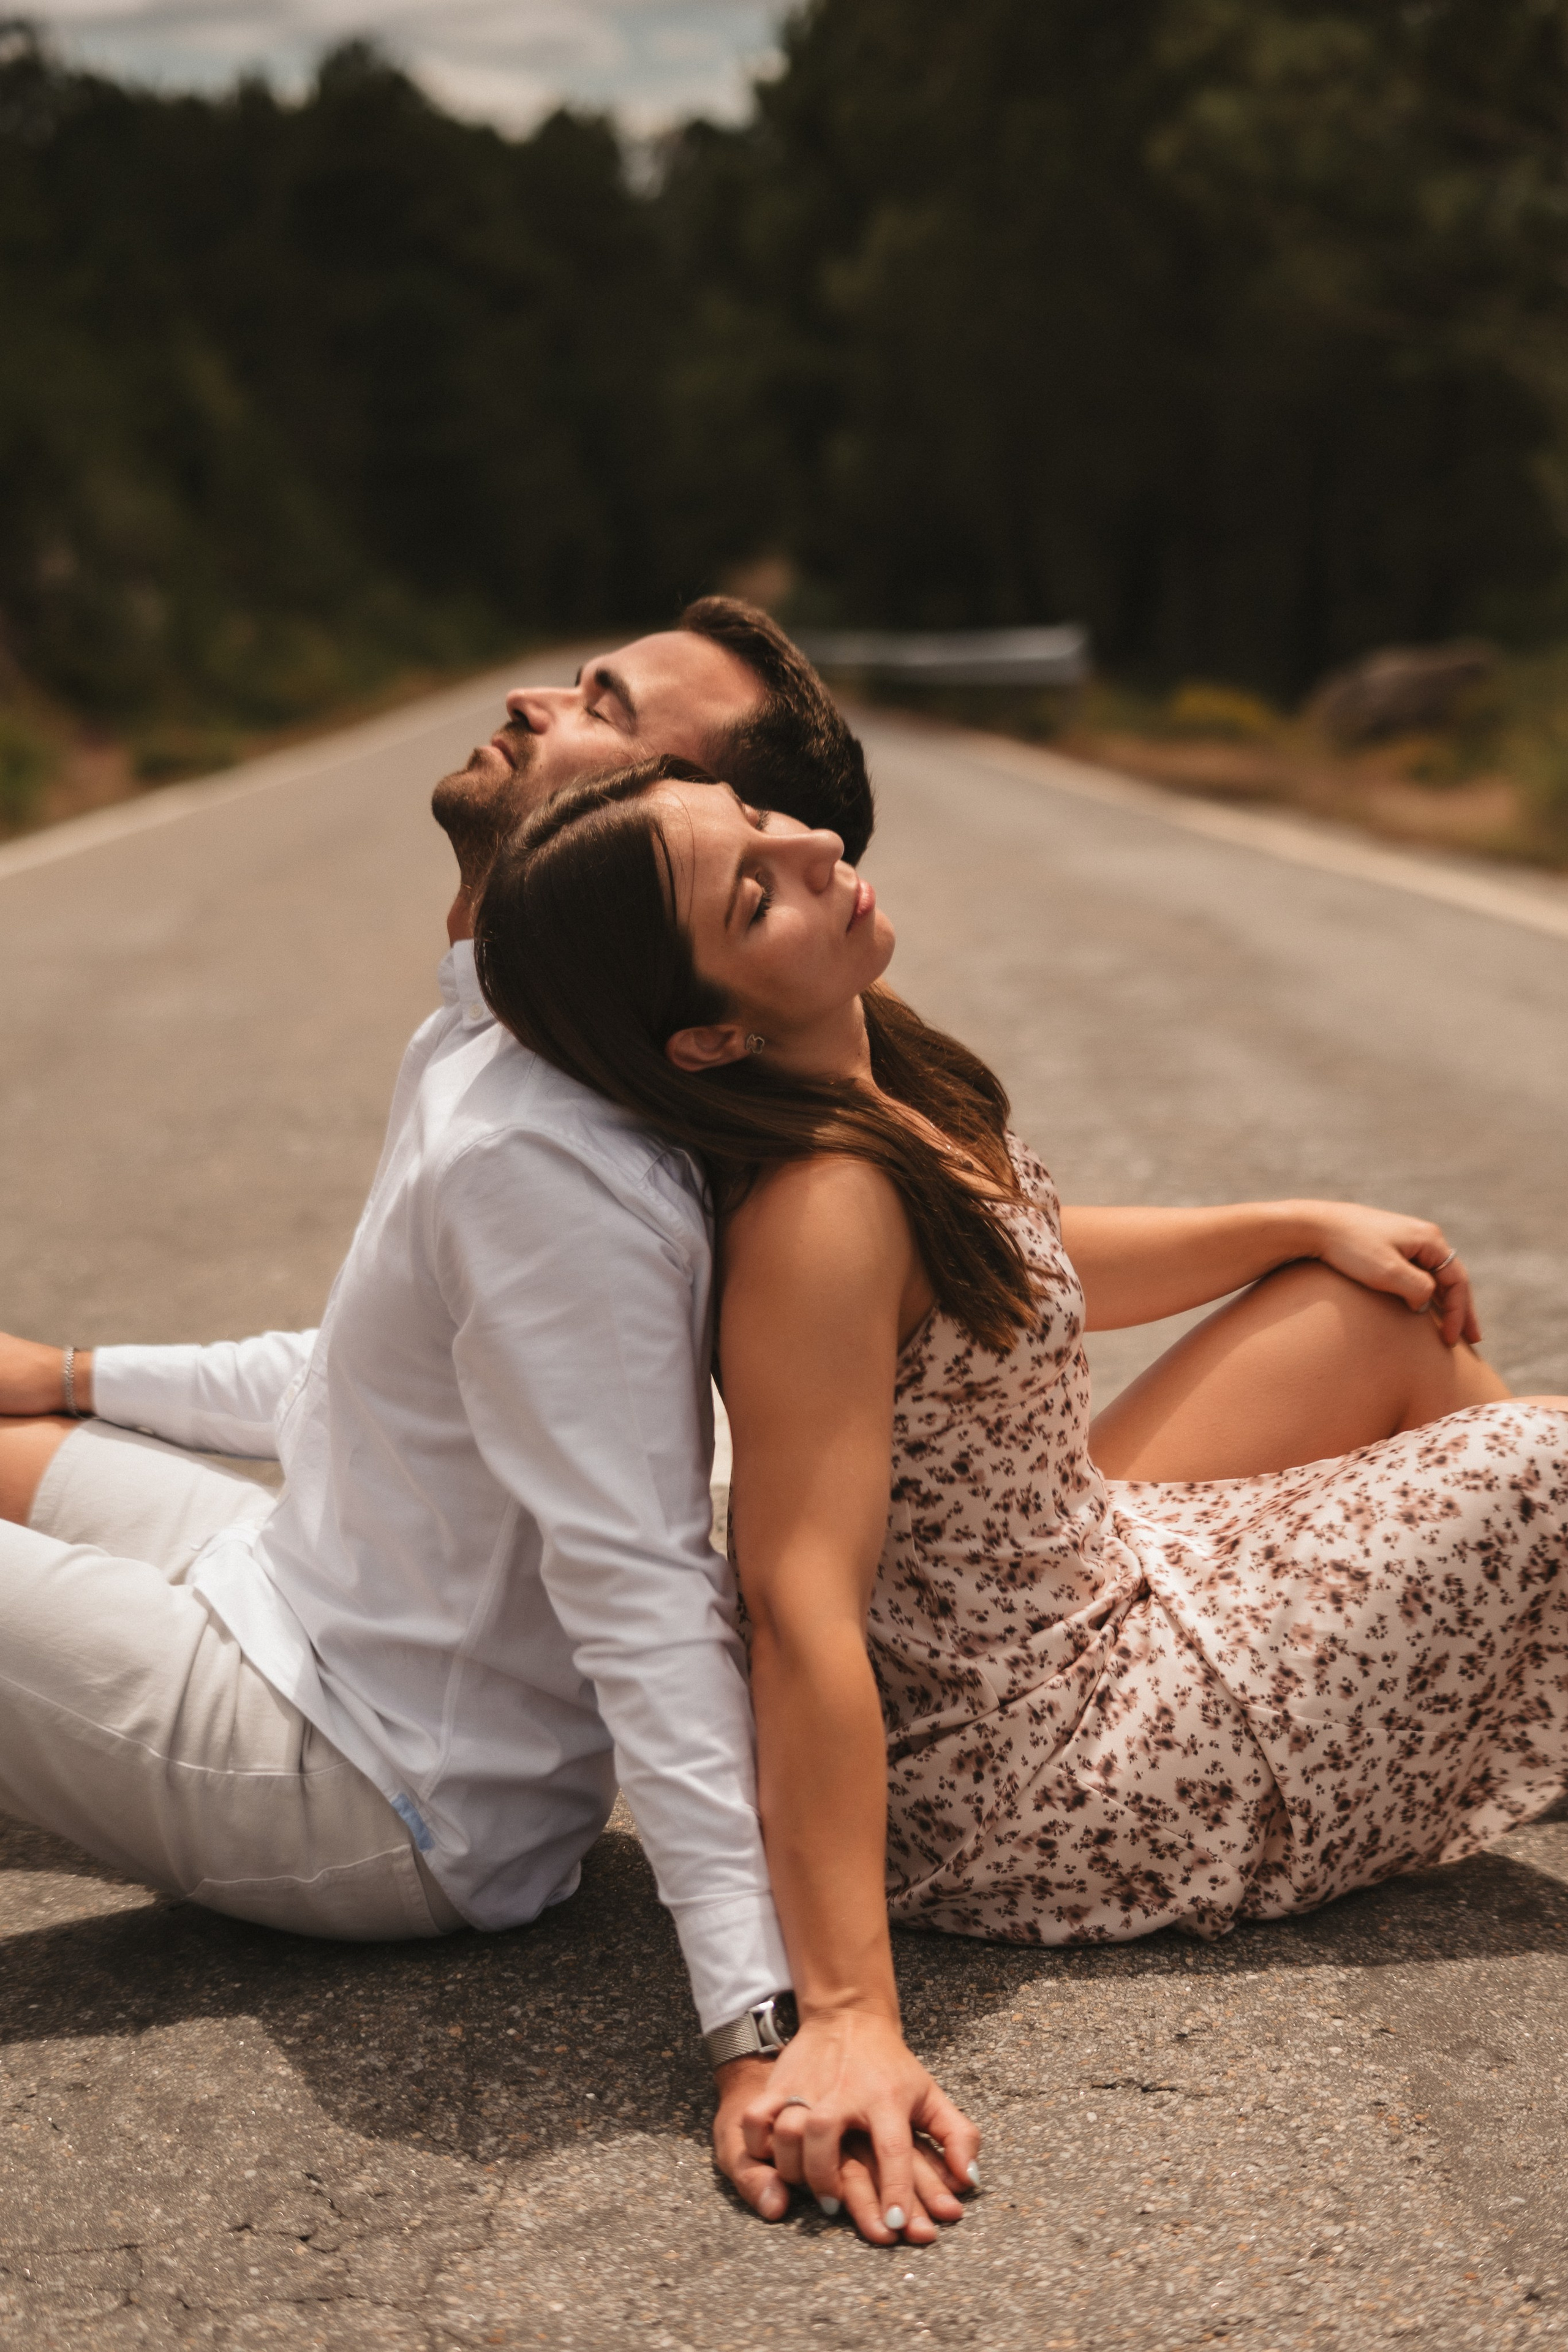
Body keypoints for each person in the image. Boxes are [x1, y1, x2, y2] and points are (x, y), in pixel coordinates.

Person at [473, 756, 1568, 2248]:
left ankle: (1513, 1708)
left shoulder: (868, 1080)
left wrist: (1292, 1221)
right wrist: (846, 2013)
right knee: (1540, 1462)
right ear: (712, 1032)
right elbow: (796, 1607)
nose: (813, 846)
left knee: (1368, 1307)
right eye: (753, 894)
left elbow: (1015, 1265)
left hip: (1084, 1565)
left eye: (767, 823)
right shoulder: (819, 1212)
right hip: (1037, 1760)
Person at [0, 598, 966, 2236]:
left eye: (610, 716)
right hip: (301, 1588)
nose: (535, 703)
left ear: (648, 817)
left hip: (379, 1777)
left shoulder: (548, 1150)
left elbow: (642, 1581)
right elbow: (366, 1379)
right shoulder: (493, 1029)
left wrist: (762, 2025)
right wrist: (67, 1373)